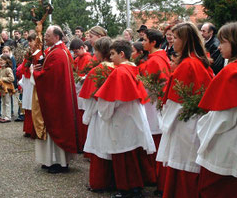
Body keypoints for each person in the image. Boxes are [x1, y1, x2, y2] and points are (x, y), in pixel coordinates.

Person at [196, 21, 237, 198]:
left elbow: (222, 119)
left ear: (236, 42)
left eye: (223, 42)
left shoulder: (233, 72)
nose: (219, 47)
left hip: (230, 145)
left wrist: (202, 128)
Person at [156, 22, 213, 198]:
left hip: (184, 124)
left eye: (177, 37)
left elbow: (175, 100)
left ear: (186, 40)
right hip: (192, 121)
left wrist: (165, 122)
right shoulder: (198, 62)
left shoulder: (188, 64)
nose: (172, 41)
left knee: (183, 167)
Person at [94, 39, 156, 198]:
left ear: (122, 54)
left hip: (122, 119)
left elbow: (112, 99)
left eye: (113, 54)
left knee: (123, 155)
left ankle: (128, 189)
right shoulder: (131, 68)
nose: (111, 57)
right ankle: (134, 188)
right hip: (131, 116)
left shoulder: (119, 72)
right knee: (132, 154)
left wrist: (103, 109)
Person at [33, 25, 79, 173]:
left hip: (56, 99)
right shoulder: (56, 51)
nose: (45, 37)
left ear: (57, 37)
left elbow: (50, 78)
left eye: (48, 35)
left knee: (56, 127)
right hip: (57, 97)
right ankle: (51, 160)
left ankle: (59, 162)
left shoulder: (58, 54)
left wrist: (36, 74)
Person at [79, 37, 115, 192]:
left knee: (99, 148)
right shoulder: (117, 68)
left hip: (99, 115)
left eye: (96, 50)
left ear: (101, 52)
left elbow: (90, 97)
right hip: (114, 115)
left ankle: (99, 182)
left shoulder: (99, 70)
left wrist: (86, 116)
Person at [140, 28, 171, 195]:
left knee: (154, 141)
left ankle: (155, 178)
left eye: (145, 40)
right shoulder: (159, 57)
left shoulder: (154, 61)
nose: (142, 43)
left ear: (153, 42)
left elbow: (151, 87)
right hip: (156, 103)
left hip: (152, 105)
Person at [17, 33, 38, 138]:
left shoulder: (38, 52)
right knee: (27, 106)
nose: (29, 43)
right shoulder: (29, 52)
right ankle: (28, 128)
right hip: (27, 80)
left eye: (31, 41)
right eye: (28, 41)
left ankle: (34, 129)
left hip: (34, 81)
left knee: (33, 105)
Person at [0, 55, 15, 123]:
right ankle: (4, 115)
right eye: (0, 60)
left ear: (6, 61)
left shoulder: (8, 69)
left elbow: (12, 78)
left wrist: (3, 79)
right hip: (2, 88)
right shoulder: (1, 69)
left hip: (7, 88)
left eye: (2, 60)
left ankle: (8, 116)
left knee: (7, 102)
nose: (0, 61)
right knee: (3, 102)